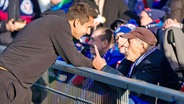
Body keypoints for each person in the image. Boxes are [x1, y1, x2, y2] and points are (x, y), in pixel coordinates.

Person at [0, 2, 98, 103]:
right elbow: (74, 58)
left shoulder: (53, 21)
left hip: (15, 82)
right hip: (9, 82)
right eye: (88, 27)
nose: (88, 32)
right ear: (77, 22)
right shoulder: (60, 25)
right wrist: (93, 64)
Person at [92, 25, 180, 103]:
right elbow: (118, 81)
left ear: (142, 46)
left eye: (129, 41)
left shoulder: (154, 61)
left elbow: (132, 88)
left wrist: (104, 68)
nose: (125, 45)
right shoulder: (129, 60)